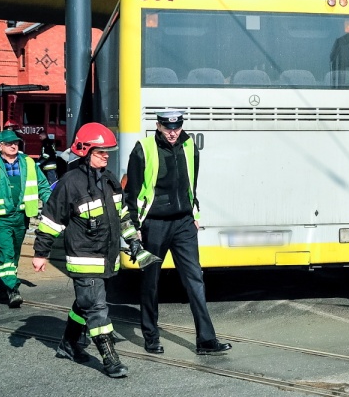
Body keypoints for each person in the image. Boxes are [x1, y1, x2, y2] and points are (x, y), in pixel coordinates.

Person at [32, 123, 156, 378]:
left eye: (108, 151)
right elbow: (51, 220)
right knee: (98, 309)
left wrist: (133, 240)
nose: (106, 155)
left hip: (107, 257)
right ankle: (110, 359)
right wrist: (40, 253)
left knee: (85, 303)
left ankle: (68, 344)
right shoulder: (69, 183)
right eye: (101, 152)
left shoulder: (109, 179)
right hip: (83, 257)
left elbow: (122, 215)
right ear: (85, 151)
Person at [124, 110, 231, 356]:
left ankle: (206, 340)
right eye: (168, 127)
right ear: (158, 126)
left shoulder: (189, 145)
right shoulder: (144, 148)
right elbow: (131, 194)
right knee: (150, 282)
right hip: (154, 224)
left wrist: (195, 214)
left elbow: (191, 184)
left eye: (177, 127)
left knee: (195, 280)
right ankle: (151, 337)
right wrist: (134, 230)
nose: (173, 132)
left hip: (183, 223)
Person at [0, 129, 52, 308]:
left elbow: (43, 186)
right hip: (0, 218)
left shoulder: (28, 163)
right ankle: (13, 289)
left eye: (16, 143)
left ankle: (1, 289)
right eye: (8, 143)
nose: (13, 146)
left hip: (21, 217)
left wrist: (53, 207)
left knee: (13, 255)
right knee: (7, 253)